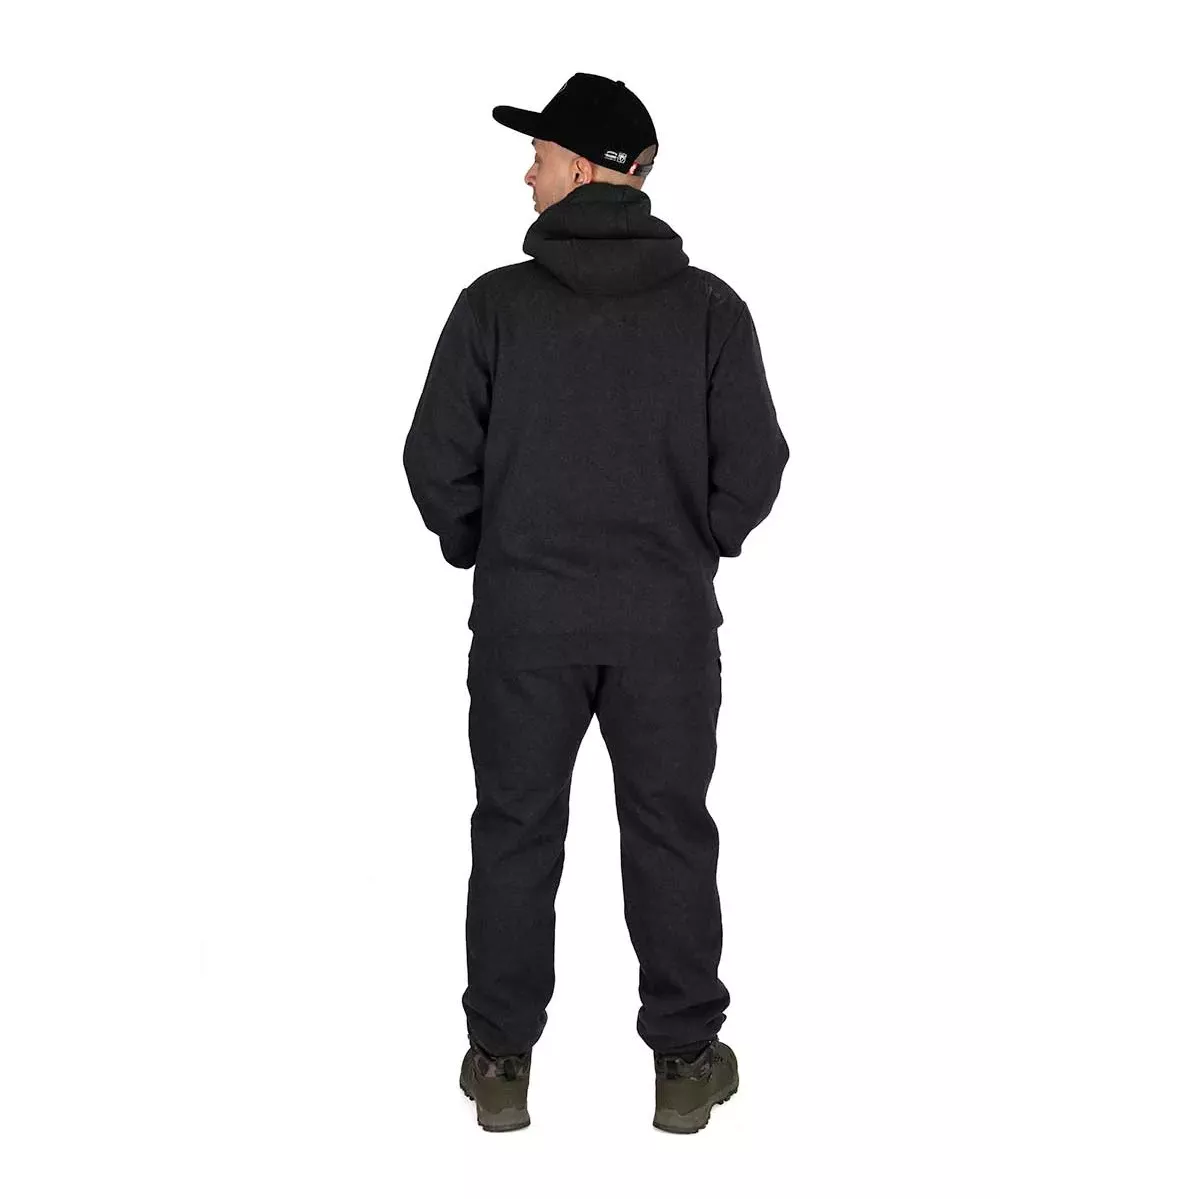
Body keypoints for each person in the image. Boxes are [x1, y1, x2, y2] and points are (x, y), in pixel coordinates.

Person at [403, 72, 789, 1134]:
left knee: (514, 834)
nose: (525, 174)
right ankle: (685, 1066)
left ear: (582, 166)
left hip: (524, 628)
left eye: (537, 155)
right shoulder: (710, 311)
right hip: (666, 631)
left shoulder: (494, 307)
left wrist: (490, 551)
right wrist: (694, 545)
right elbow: (755, 465)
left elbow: (434, 461)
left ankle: (500, 1067)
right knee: (670, 833)